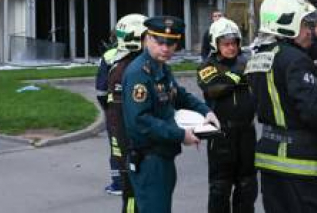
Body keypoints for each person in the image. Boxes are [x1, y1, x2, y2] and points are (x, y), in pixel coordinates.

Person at [246, 0, 317, 213]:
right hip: (302, 162)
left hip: (270, 159)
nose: (310, 31)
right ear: (286, 24)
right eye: (304, 24)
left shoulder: (258, 58)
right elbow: (314, 110)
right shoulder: (295, 59)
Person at [123, 16, 218, 213]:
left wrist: (206, 111)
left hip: (162, 157)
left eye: (171, 43)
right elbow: (141, 120)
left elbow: (179, 95)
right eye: (159, 42)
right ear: (147, 38)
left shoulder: (161, 68)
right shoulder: (139, 73)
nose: (165, 48)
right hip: (150, 160)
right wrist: (182, 135)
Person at [197, 18, 256, 213]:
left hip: (247, 132)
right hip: (222, 134)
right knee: (220, 187)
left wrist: (237, 74)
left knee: (247, 184)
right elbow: (215, 88)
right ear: (216, 44)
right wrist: (237, 74)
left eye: (234, 43)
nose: (231, 48)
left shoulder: (247, 62)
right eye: (226, 44)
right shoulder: (207, 66)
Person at [105, 13, 148, 213]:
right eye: (148, 37)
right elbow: (126, 114)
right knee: (133, 194)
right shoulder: (129, 69)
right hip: (131, 144)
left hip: (130, 142)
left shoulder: (125, 65)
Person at [95, 30, 122, 195]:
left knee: (117, 146)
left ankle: (118, 183)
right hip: (139, 107)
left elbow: (101, 89)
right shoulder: (145, 53)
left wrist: (107, 107)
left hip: (115, 109)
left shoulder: (109, 56)